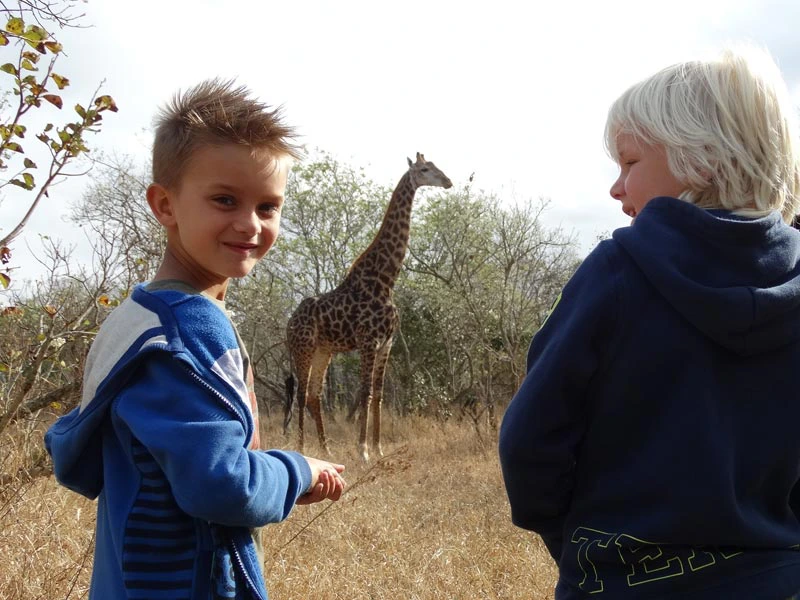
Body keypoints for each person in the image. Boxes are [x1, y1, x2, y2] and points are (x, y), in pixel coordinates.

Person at [499, 46, 800, 600]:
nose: (616, 188)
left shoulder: (618, 270)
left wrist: (579, 545)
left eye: (629, 163)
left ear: (703, 157)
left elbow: (529, 443)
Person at [45, 79, 346, 600]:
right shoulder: (191, 328)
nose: (250, 224)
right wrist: (295, 470)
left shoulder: (137, 316)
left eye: (268, 207)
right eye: (225, 199)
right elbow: (219, 485)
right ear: (165, 204)